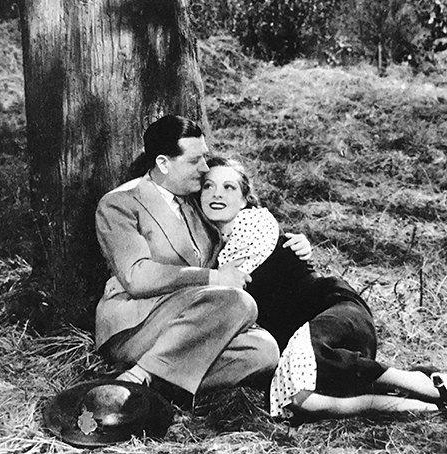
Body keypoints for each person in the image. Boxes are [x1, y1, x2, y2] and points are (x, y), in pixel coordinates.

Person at [200, 156, 447, 422]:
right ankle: (428, 409)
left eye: (229, 187)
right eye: (208, 186)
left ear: (245, 200)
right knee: (303, 401)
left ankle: (425, 384)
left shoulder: (257, 226)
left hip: (335, 311)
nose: (217, 194)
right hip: (306, 349)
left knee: (307, 357)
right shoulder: (211, 255)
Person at [94, 115, 311, 407]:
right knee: (239, 302)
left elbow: (238, 227)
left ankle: (156, 384)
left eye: (205, 158)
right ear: (163, 163)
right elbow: (137, 276)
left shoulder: (195, 198)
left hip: (196, 324)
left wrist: (290, 243)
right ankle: (139, 376)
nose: (205, 168)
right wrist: (212, 278)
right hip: (138, 325)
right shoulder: (120, 202)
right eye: (195, 161)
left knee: (264, 351)